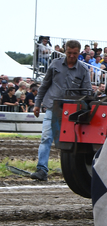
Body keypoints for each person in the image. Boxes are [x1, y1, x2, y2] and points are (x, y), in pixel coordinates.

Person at [31, 40, 92, 181]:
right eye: (69, 53)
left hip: (72, 111)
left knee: (71, 142)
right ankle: (41, 170)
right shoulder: (55, 64)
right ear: (65, 51)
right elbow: (45, 85)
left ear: (79, 52)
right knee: (46, 137)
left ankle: (72, 171)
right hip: (53, 107)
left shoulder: (83, 70)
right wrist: (37, 104)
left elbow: (87, 92)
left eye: (75, 53)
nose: (71, 56)